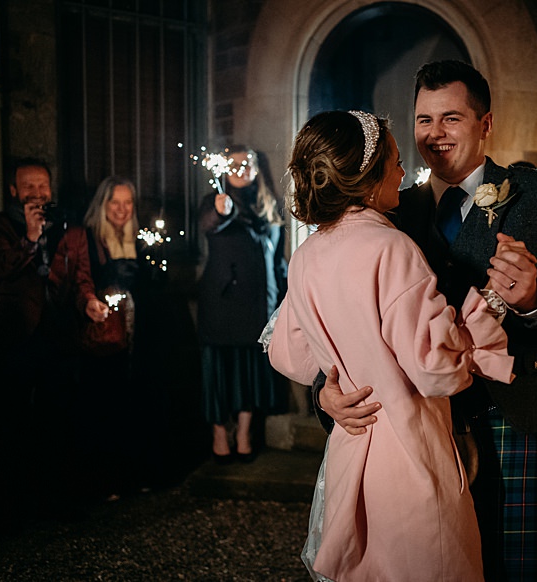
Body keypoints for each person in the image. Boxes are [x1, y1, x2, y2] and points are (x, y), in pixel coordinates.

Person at [318, 60, 537, 581]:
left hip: (512, 416)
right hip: (416, 427)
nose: (435, 134)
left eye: (451, 118)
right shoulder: (387, 210)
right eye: (424, 120)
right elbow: (335, 315)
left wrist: (534, 299)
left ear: (485, 123)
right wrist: (325, 391)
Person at [268, 110, 512, 580]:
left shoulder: (306, 255)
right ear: (366, 177)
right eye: (396, 162)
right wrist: (490, 306)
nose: (403, 172)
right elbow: (436, 370)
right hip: (407, 456)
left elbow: (289, 354)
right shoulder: (391, 248)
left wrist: (328, 388)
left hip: (351, 448)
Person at [0, 159, 105, 524]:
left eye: (43, 187)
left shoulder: (69, 229)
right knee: (11, 423)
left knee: (56, 421)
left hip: (58, 336)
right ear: (14, 191)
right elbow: (0, 268)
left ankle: (54, 499)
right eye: (29, 188)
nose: (38, 194)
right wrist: (31, 237)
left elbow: (81, 277)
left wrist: (89, 303)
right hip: (14, 338)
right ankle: (9, 506)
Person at [73, 176, 167, 500]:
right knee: (104, 402)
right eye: (115, 202)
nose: (122, 209)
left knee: (136, 401)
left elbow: (155, 283)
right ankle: (104, 480)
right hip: (106, 335)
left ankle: (134, 475)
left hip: (138, 336)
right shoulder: (89, 238)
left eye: (128, 203)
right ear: (103, 204)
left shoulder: (140, 241)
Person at [198, 144, 288, 464]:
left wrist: (286, 295)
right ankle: (219, 433)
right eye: (233, 165)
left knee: (250, 371)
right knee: (218, 369)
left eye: (246, 164)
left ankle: (245, 434)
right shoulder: (216, 201)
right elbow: (210, 223)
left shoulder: (269, 206)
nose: (240, 170)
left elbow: (278, 260)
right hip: (223, 300)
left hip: (257, 303)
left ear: (255, 168)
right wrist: (221, 212)